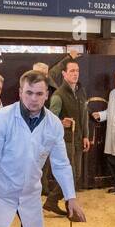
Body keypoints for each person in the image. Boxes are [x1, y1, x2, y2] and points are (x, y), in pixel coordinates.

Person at [0, 69, 85, 227]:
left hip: (30, 193)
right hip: (1, 191)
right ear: (20, 93)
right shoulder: (2, 118)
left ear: (47, 95)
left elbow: (61, 164)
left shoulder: (53, 124)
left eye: (39, 94)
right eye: (29, 93)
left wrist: (70, 197)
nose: (34, 99)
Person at [45, 57, 89, 215]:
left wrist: (85, 136)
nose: (75, 74)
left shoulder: (80, 91)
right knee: (71, 174)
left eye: (77, 71)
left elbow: (84, 116)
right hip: (65, 141)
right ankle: (54, 201)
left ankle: (53, 201)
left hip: (78, 139)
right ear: (64, 74)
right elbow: (50, 119)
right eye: (72, 71)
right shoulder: (58, 95)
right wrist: (61, 122)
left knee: (74, 174)